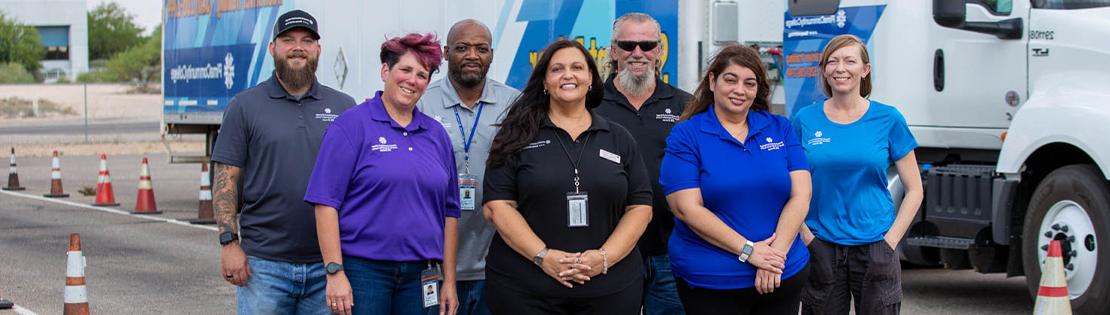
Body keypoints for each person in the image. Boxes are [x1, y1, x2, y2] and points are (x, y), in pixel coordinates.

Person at [481, 39, 652, 314]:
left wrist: (604, 258)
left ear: (591, 80)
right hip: (526, 291)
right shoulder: (515, 135)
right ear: (545, 82)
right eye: (557, 69)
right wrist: (543, 257)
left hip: (610, 291)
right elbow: (497, 207)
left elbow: (640, 207)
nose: (568, 75)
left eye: (577, 67)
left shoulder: (619, 138)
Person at [303, 33, 460, 315]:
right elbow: (325, 203)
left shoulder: (436, 135)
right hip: (364, 273)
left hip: (421, 275)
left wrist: (448, 280)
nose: (413, 80)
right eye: (406, 70)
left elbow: (450, 213)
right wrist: (334, 272)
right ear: (385, 71)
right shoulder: (351, 125)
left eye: (422, 75)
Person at [211, 9, 356, 314]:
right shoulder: (244, 106)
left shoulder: (344, 107)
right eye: (288, 39)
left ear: (318, 49)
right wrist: (228, 242)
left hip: (327, 267)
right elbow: (226, 179)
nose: (297, 47)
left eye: (306, 40)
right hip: (263, 266)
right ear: (272, 48)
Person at [659, 44, 812, 315]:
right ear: (712, 81)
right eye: (731, 80)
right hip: (714, 281)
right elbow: (686, 207)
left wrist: (773, 258)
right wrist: (751, 252)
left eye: (749, 83)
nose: (740, 90)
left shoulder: (780, 128)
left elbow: (801, 195)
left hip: (782, 273)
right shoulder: (687, 135)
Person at [793, 34, 923, 315]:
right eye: (833, 61)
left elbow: (915, 189)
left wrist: (890, 243)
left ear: (865, 70)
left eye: (850, 61)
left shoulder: (888, 119)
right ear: (824, 70)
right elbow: (788, 185)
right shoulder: (805, 120)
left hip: (876, 244)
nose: (841, 68)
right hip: (821, 244)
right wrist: (805, 237)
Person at [415, 19, 521, 315]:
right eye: (462, 48)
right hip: (434, 264)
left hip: (495, 263)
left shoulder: (513, 103)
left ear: (491, 54)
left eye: (481, 48)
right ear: (446, 53)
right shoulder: (422, 101)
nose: (472, 55)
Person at [594, 13, 691, 315]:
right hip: (607, 251)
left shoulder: (686, 106)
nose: (638, 53)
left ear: (660, 51)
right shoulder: (590, 104)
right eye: (628, 45)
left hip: (671, 251)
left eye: (648, 45)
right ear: (613, 51)